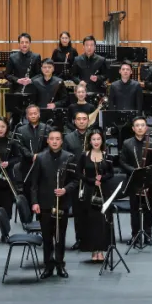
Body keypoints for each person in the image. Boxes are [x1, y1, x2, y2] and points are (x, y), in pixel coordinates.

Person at [28, 129, 73, 278]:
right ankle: (48, 266)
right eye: (52, 139)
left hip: (62, 203)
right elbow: (34, 183)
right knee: (47, 238)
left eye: (57, 139)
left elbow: (75, 180)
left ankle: (60, 265)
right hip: (45, 203)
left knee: (60, 237)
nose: (54, 141)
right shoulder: (40, 158)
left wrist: (65, 190)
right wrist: (35, 202)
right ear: (47, 141)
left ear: (62, 141)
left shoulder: (69, 157)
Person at [72, 129, 115, 262]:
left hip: (104, 191)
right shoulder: (84, 155)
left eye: (98, 139)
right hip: (89, 191)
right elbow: (78, 173)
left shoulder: (107, 155)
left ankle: (101, 250)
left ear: (102, 140)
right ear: (90, 141)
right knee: (91, 221)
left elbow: (111, 173)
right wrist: (91, 180)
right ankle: (93, 250)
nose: (96, 142)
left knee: (103, 221)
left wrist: (102, 178)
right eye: (94, 139)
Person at [120, 117, 152, 246]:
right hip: (133, 181)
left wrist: (147, 173)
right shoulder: (127, 143)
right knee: (134, 210)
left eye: (142, 125)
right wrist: (134, 171)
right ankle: (135, 235)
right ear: (133, 128)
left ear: (146, 127)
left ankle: (148, 235)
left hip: (148, 182)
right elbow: (122, 162)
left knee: (148, 210)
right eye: (137, 125)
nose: (140, 127)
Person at [63, 111, 90, 249]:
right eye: (79, 119)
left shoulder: (94, 136)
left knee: (91, 211)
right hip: (75, 179)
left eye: (84, 119)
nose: (81, 121)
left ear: (88, 121)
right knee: (78, 212)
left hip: (91, 178)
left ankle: (92, 240)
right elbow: (65, 158)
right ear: (74, 121)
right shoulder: (68, 138)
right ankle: (79, 239)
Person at [14, 104, 51, 180]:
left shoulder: (47, 128)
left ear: (39, 114)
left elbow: (50, 145)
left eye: (35, 113)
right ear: (27, 116)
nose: (33, 116)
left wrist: (39, 156)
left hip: (44, 163)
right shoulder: (20, 130)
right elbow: (20, 146)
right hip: (27, 163)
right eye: (30, 114)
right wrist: (31, 156)